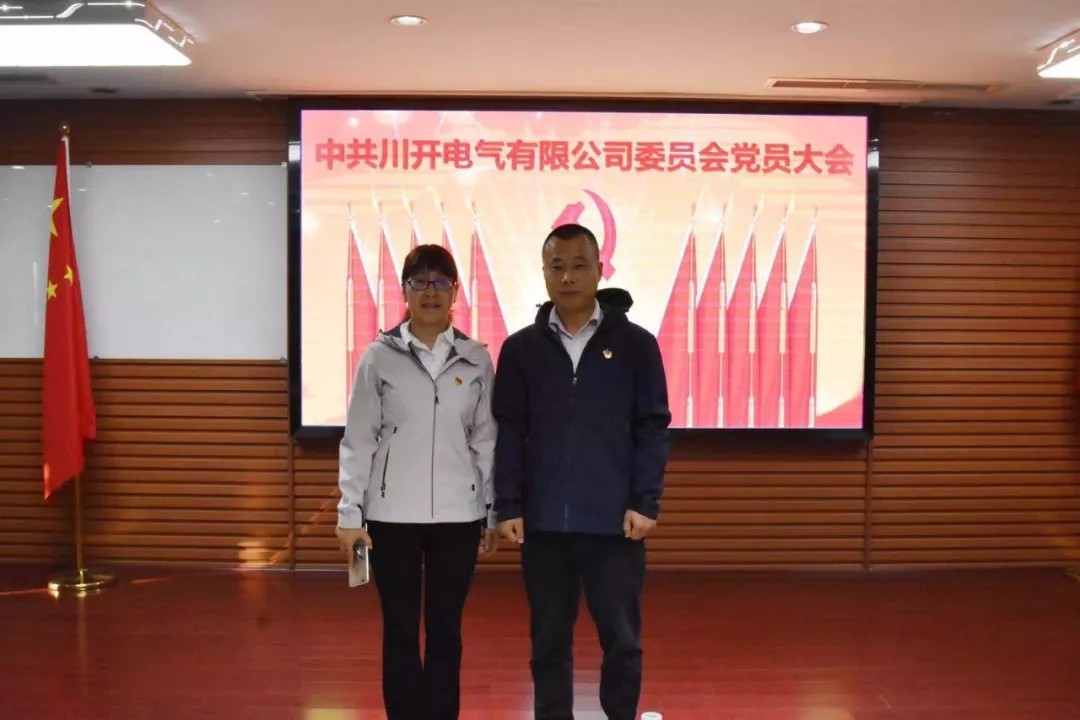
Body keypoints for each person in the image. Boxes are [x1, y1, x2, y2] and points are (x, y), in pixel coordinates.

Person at [492, 223, 672, 720]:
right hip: (543, 523)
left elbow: (653, 426)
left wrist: (645, 501)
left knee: (622, 641)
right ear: (544, 273)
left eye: (578, 265)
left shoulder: (636, 345)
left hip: (615, 523)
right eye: (557, 266)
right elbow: (509, 431)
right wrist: (508, 504)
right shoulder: (521, 349)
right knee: (548, 641)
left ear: (599, 270)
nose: (567, 276)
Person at [336, 243, 499, 720]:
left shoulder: (475, 359)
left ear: (455, 292)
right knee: (401, 629)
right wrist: (349, 515)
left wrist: (493, 510)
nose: (431, 291)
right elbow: (358, 439)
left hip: (459, 517)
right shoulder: (378, 358)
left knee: (447, 629)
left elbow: (487, 440)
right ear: (404, 291)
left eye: (441, 281)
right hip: (391, 518)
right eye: (419, 281)